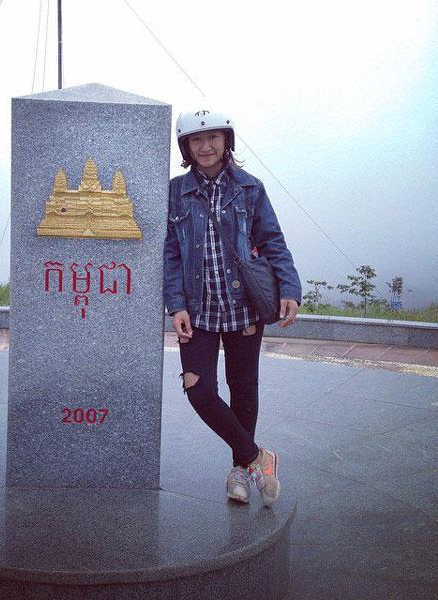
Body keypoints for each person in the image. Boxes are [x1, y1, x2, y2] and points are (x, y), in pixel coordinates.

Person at [163, 109, 302, 507]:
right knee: (199, 389)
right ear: (186, 147)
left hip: (243, 307)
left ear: (227, 141)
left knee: (243, 388)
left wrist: (289, 287)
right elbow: (170, 252)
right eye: (196, 139)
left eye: (213, 137)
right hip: (198, 311)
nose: (205, 146)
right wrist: (176, 304)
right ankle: (258, 457)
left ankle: (240, 470)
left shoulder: (249, 188)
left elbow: (272, 240)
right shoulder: (175, 191)